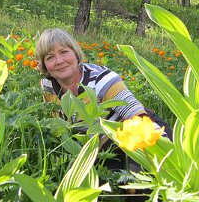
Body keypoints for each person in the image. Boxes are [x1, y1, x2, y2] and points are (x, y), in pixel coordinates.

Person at [35, 28, 172, 200]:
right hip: (93, 148)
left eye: (64, 52)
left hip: (134, 136)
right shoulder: (47, 84)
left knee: (137, 190)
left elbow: (139, 117)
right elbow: (58, 125)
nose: (59, 61)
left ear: (76, 54)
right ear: (44, 64)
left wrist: (161, 151)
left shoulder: (101, 79)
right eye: (50, 57)